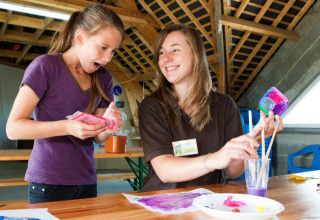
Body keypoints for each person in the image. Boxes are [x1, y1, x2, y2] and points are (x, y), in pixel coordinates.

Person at [138, 24, 283, 192]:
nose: (165, 59)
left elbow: (233, 171)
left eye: (175, 50)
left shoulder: (224, 105)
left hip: (209, 201)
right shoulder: (151, 106)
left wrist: (255, 139)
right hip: (161, 203)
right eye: (161, 52)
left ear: (196, 54)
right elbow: (165, 171)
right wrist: (215, 159)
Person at [6, 5, 124, 204]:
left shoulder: (104, 78)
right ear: (80, 38)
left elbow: (99, 138)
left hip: (87, 181)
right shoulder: (45, 67)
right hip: (48, 182)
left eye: (113, 51)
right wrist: (67, 127)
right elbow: (13, 129)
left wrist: (109, 125)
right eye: (103, 47)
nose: (107, 58)